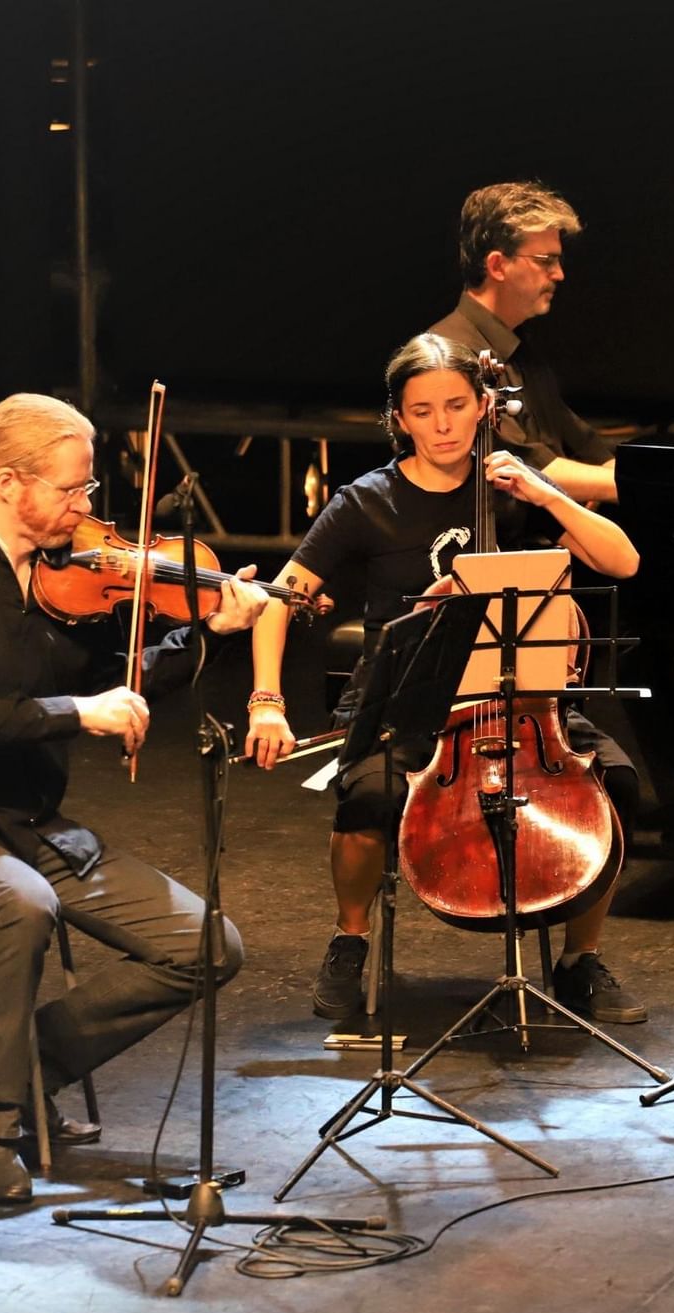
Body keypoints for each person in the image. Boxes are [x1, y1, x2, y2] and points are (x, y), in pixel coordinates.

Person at [0, 393, 271, 1203]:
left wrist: (207, 632)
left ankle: (20, 1067)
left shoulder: (63, 575)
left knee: (207, 944)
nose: (86, 507)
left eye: (88, 489)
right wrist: (77, 714)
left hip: (29, 822)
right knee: (21, 905)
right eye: (72, 488)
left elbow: (118, 680)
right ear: (10, 483)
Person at [245, 334, 647, 1026]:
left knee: (617, 783)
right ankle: (350, 938)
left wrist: (545, 494)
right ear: (399, 419)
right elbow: (278, 599)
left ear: (483, 406)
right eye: (422, 411)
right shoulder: (366, 502)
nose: (442, 425)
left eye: (457, 406)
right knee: (368, 796)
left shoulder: (512, 487)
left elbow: (624, 562)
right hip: (408, 698)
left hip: (519, 697)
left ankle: (580, 958)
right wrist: (266, 702)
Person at [429, 181, 618, 504]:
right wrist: (642, 487)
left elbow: (588, 450)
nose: (559, 274)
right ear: (497, 266)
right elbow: (526, 470)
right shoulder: (447, 355)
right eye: (546, 260)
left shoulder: (521, 350)